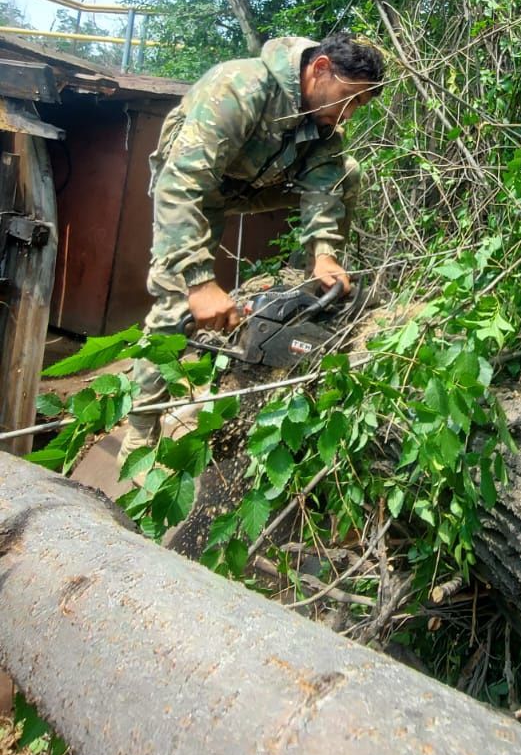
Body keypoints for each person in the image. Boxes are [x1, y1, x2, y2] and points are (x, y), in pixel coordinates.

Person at [118, 30, 385, 462]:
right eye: (350, 99)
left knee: (347, 171)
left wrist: (324, 254)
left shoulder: (323, 123)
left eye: (360, 106)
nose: (350, 114)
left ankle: (308, 294)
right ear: (320, 70)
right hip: (195, 189)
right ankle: (140, 432)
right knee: (175, 307)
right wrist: (199, 281)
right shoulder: (240, 87)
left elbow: (323, 185)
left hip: (252, 186)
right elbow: (181, 183)